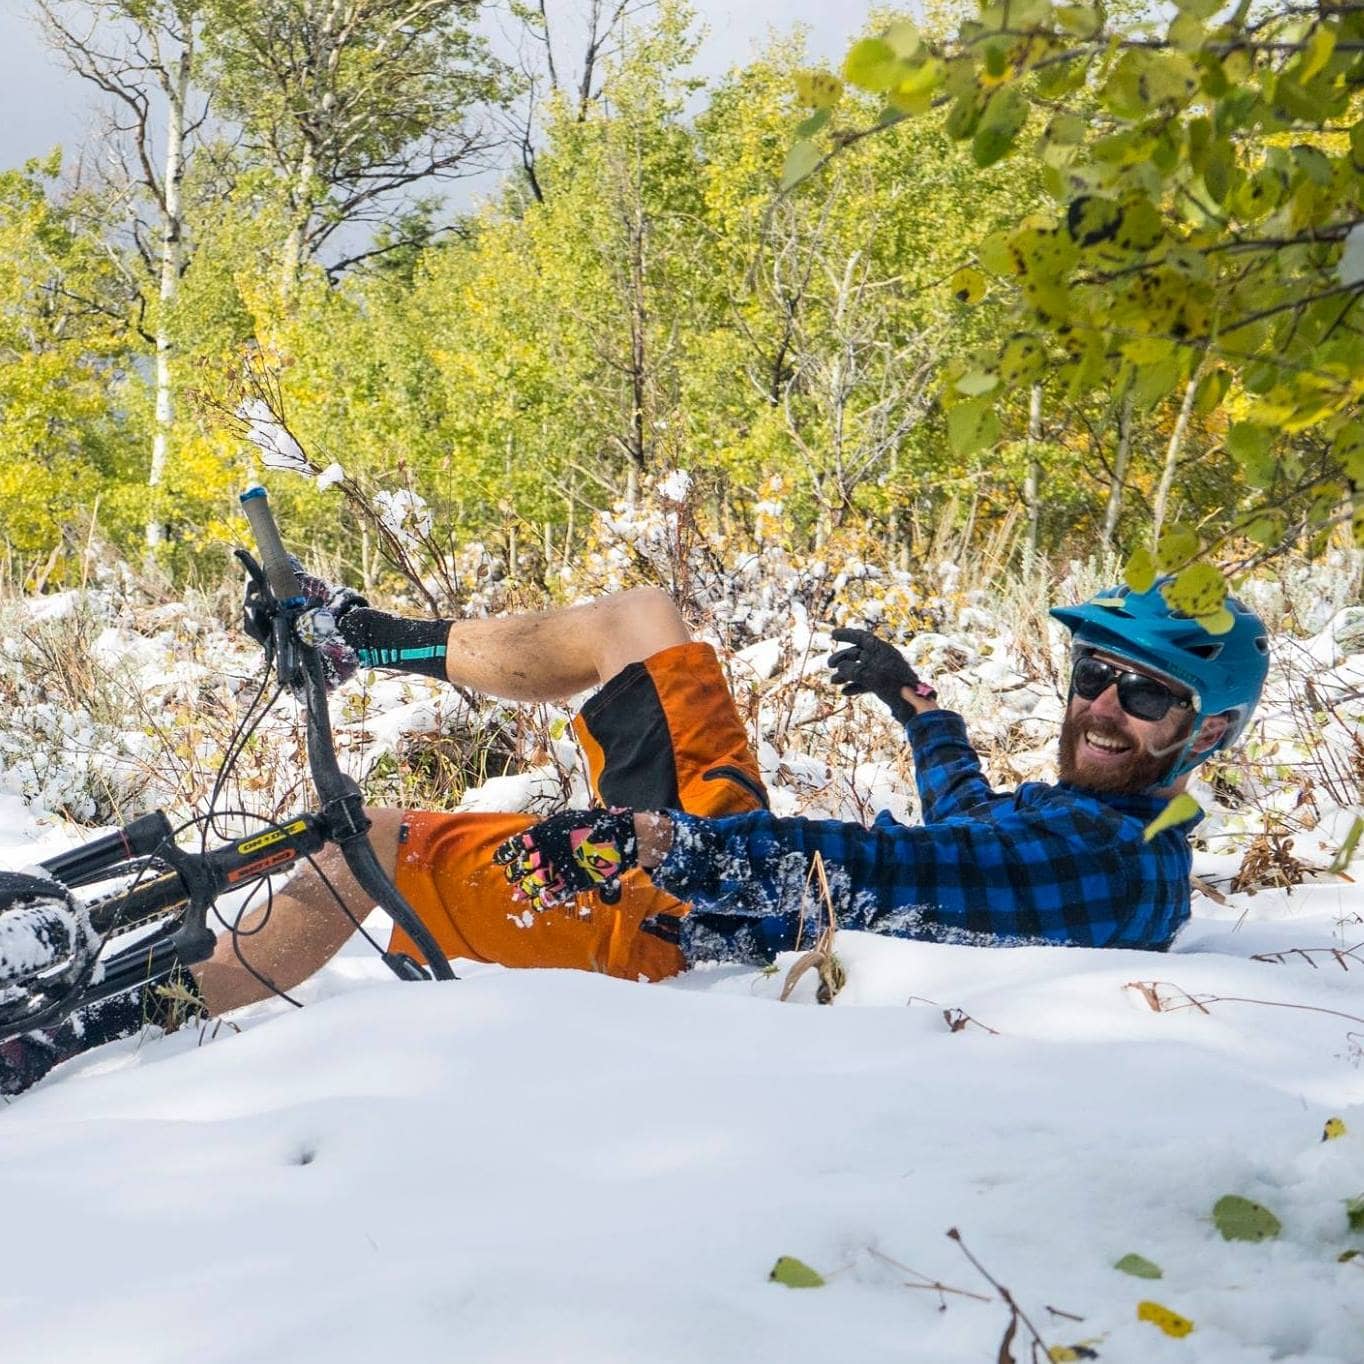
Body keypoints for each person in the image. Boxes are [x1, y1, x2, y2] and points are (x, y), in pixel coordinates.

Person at [1, 575, 1268, 1093]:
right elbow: (973, 828)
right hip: (726, 862)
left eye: (1145, 693)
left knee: (363, 844)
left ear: (1203, 733)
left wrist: (671, 851)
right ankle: (368, 637)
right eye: (1093, 674)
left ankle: (91, 1023)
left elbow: (893, 871)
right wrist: (912, 699)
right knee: (642, 619)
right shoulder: (1094, 822)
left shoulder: (1109, 872)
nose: (1101, 704)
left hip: (687, 923)